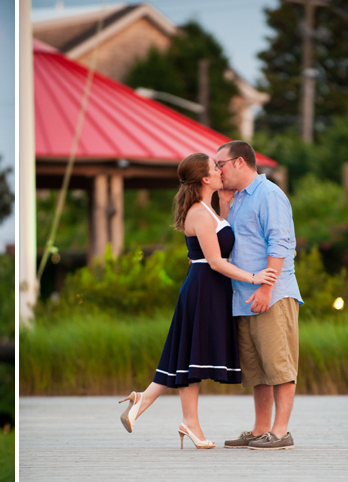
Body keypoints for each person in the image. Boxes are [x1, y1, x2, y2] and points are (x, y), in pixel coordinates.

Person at [119, 153, 278, 448]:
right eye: (214, 168)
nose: (220, 171)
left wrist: (227, 202)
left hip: (211, 288)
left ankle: (154, 404)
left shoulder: (209, 209)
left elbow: (223, 235)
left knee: (188, 356)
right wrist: (255, 278)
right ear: (205, 179)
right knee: (190, 355)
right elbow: (216, 261)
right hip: (204, 286)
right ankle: (182, 418)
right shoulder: (199, 213)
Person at [215, 140, 303, 450]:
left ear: (239, 162)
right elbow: (229, 240)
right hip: (243, 298)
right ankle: (260, 429)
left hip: (272, 295)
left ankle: (281, 432)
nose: (217, 171)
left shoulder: (269, 195)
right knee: (257, 369)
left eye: (220, 164)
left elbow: (279, 244)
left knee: (279, 364)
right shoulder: (237, 198)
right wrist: (224, 203)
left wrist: (266, 288)